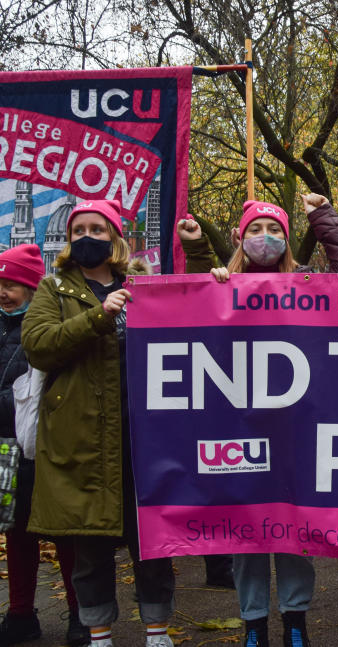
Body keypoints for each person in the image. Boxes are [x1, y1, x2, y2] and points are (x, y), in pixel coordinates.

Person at [179, 196, 338, 647]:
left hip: (297, 429)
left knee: (293, 529)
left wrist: (323, 217)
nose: (268, 238)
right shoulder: (225, 283)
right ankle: (254, 624)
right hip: (240, 426)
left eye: (275, 229)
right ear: (242, 237)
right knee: (248, 534)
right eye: (258, 229)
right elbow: (190, 308)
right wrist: (205, 262)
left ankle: (294, 621)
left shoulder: (307, 286)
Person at [21, 200, 174, 647]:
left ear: (116, 236)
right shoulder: (54, 289)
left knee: (152, 543)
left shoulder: (145, 284)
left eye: (98, 228)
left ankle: (157, 632)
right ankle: (100, 635)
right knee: (89, 549)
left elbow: (196, 314)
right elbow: (39, 346)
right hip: (83, 440)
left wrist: (206, 263)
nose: (88, 237)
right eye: (79, 230)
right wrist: (97, 316)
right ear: (67, 242)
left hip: (144, 441)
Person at [0, 244, 87, 647]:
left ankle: (79, 615)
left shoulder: (46, 327)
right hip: (7, 452)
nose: (3, 291)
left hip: (45, 447)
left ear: (32, 288)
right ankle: (19, 613)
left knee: (64, 534)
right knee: (17, 536)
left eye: (12, 284)